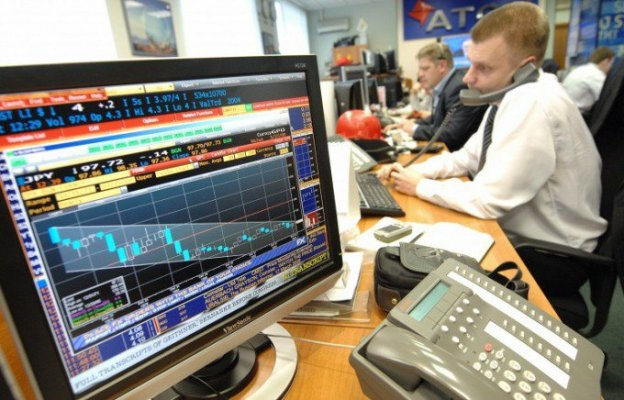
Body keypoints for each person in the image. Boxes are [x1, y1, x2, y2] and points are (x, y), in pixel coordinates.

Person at [378, 2, 606, 254]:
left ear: (524, 68)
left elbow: (488, 200)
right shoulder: (507, 97)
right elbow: (466, 158)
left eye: (483, 68)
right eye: (472, 64)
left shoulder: (533, 102)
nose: (468, 77)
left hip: (554, 252)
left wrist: (421, 186)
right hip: (523, 236)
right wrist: (411, 171)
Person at [385, 42, 486, 151]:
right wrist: (410, 124)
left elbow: (451, 134)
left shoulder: (459, 87)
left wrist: (415, 129)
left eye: (425, 68)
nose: (420, 74)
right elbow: (436, 119)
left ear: (442, 66)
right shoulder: (445, 85)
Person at [562, 46, 615, 114]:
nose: (611, 67)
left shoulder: (581, 69)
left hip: (566, 111)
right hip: (577, 114)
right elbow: (607, 99)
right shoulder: (596, 75)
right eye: (611, 63)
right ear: (606, 61)